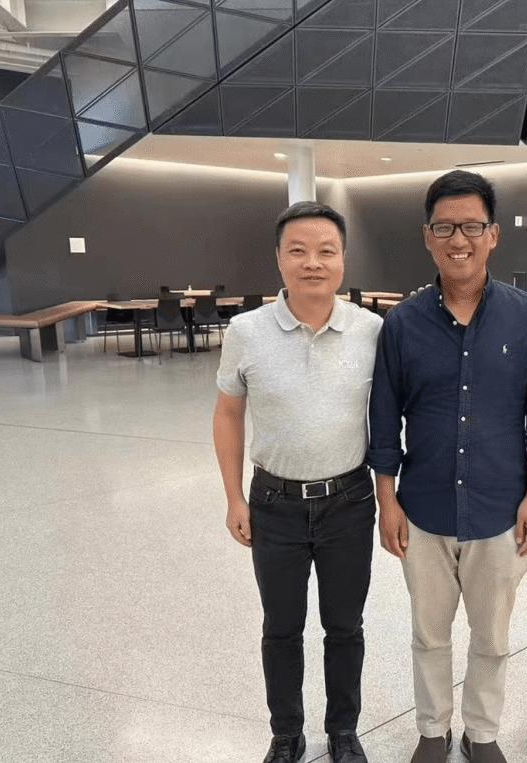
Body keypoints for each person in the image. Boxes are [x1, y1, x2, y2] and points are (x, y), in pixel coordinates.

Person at [368, 170, 527, 763]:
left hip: (500, 510)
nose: (459, 240)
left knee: (493, 638)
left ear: (493, 235)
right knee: (428, 635)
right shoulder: (403, 324)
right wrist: (386, 501)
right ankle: (433, 730)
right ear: (427, 237)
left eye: (473, 226)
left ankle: (481, 734)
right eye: (445, 227)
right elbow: (383, 423)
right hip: (423, 511)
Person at [213, 201, 382, 763]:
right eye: (299, 251)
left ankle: (343, 731)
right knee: (281, 628)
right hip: (274, 503)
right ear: (279, 259)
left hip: (349, 502)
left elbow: (390, 418)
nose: (313, 262)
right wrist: (234, 497)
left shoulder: (371, 330)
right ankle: (286, 733)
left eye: (326, 251)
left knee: (345, 626)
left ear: (343, 260)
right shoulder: (246, 331)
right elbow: (228, 413)